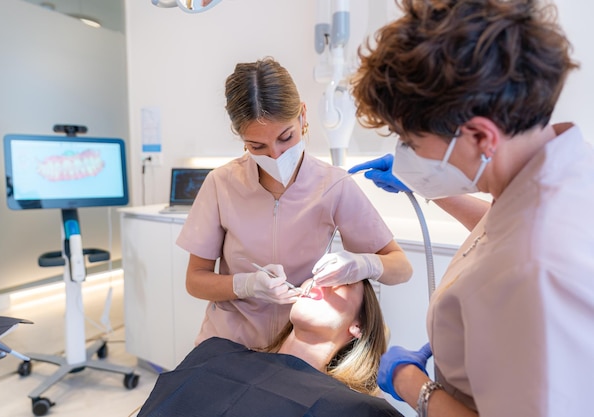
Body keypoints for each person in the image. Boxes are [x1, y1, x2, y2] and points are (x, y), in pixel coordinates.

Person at [348, 0, 594, 416]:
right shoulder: (560, 171)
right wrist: (438, 190)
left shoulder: (535, 271)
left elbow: (521, 254)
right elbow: (506, 229)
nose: (405, 152)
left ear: (481, 137)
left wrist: (413, 384)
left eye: (409, 139)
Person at [176, 57, 412, 349]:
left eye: (285, 137)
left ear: (302, 116)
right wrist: (246, 284)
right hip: (229, 343)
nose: (275, 154)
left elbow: (401, 267)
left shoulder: (334, 185)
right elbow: (195, 280)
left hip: (298, 348)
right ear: (241, 139)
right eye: (257, 146)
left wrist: (363, 263)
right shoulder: (221, 184)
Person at [137, 279, 403, 417]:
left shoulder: (357, 408)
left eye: (342, 281)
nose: (318, 283)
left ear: (359, 326)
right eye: (318, 275)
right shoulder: (216, 352)